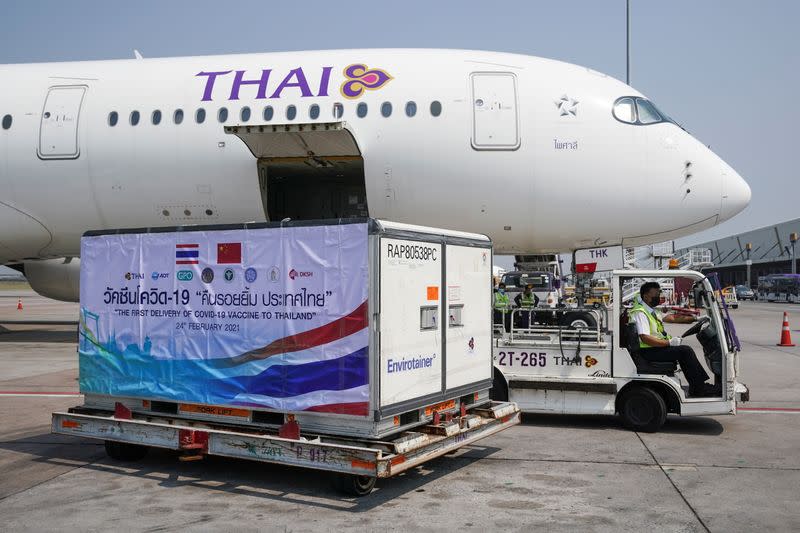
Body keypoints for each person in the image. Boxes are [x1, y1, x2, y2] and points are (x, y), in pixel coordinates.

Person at [629, 282, 717, 397]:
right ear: (645, 296)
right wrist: (669, 343)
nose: (658, 298)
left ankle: (698, 386)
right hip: (648, 352)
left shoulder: (652, 311)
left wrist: (695, 318)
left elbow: (672, 317)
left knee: (683, 351)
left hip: (654, 349)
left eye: (658, 294)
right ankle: (699, 388)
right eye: (655, 295)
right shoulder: (640, 313)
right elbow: (645, 338)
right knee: (685, 351)